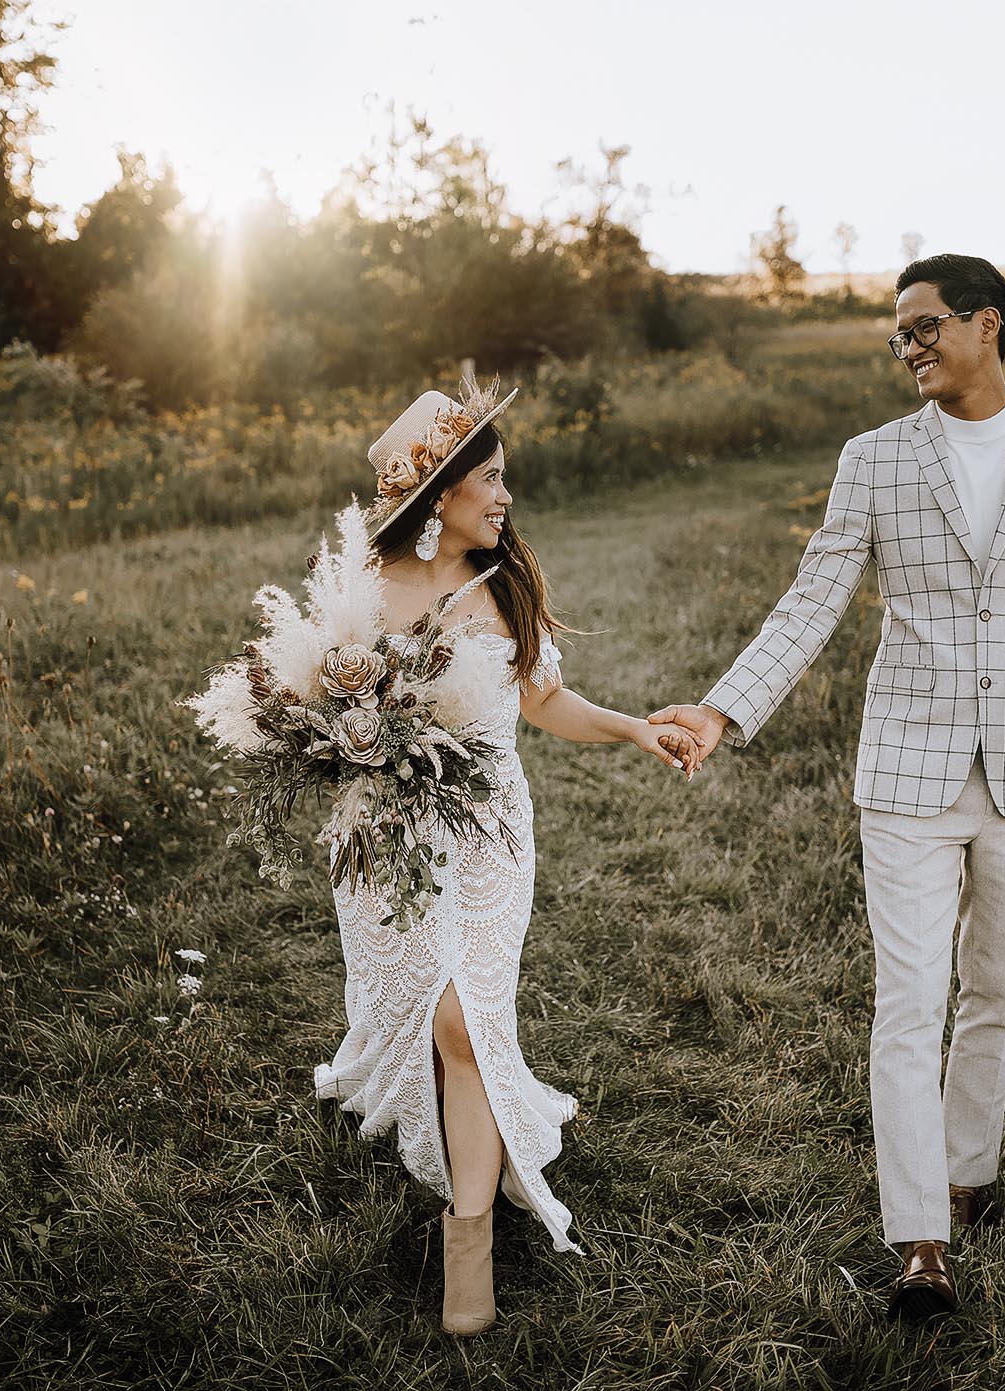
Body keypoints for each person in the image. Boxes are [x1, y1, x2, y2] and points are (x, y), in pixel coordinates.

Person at [651, 254, 1005, 1322]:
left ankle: (967, 1171)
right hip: (907, 772)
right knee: (907, 1001)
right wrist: (721, 708)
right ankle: (919, 1235)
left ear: (987, 326)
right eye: (900, 335)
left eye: (924, 327)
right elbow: (812, 597)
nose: (909, 347)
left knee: (996, 998)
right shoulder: (874, 459)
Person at [313, 377, 699, 1336]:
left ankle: (469, 1238)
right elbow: (315, 719)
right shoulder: (364, 593)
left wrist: (635, 730)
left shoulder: (502, 584)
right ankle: (452, 1135)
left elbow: (543, 703)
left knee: (462, 1020)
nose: (504, 496)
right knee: (424, 1019)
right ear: (438, 494)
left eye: (504, 478)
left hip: (489, 835)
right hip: (388, 845)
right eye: (489, 478)